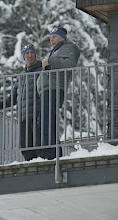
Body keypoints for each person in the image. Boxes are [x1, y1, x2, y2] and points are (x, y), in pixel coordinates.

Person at [37, 27, 80, 160]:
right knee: (45, 121)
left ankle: (51, 154)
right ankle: (49, 153)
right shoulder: (56, 51)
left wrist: (49, 61)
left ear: (62, 37)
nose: (51, 39)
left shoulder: (69, 48)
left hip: (54, 89)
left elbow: (69, 64)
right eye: (50, 37)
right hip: (48, 89)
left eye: (54, 36)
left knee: (48, 121)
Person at [0, 44, 42, 161]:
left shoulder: (41, 71)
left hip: (37, 115)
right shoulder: (21, 77)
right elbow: (11, 99)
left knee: (40, 146)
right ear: (23, 57)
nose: (30, 55)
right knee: (25, 147)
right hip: (23, 117)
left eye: (32, 53)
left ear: (35, 55)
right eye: (27, 53)